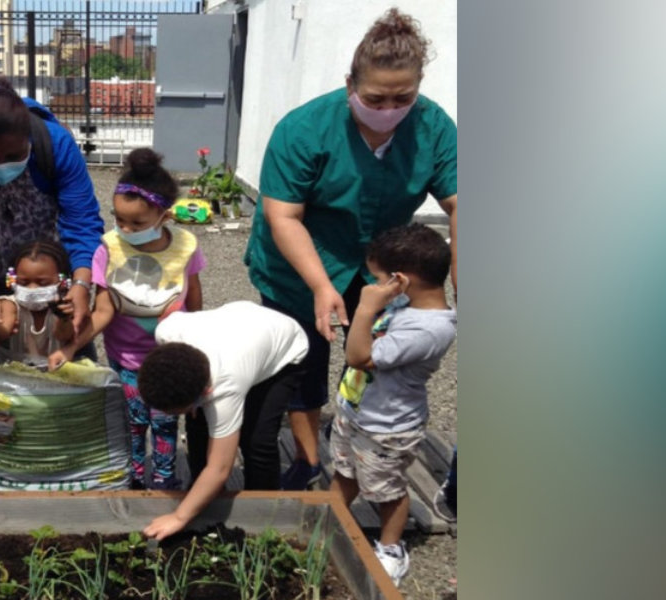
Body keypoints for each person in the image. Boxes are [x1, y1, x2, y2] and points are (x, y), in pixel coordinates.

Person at [245, 9, 458, 490]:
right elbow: (284, 215)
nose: (388, 108)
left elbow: (460, 205)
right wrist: (320, 285)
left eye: (402, 98)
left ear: (418, 89)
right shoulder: (304, 130)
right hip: (298, 262)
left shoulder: (433, 128)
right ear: (350, 85)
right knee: (302, 359)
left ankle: (361, 447)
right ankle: (306, 459)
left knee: (376, 357)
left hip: (379, 263)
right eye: (375, 97)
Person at [53, 148, 204, 489]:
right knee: (133, 422)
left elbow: (194, 300)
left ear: (164, 216)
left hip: (169, 359)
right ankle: (134, 477)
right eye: (118, 219)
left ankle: (165, 478)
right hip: (126, 360)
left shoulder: (185, 246)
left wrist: (198, 354)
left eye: (136, 223)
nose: (125, 229)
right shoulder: (109, 248)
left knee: (166, 422)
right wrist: (70, 348)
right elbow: (103, 310)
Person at [327, 223, 456, 584]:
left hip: (388, 428)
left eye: (379, 278)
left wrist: (367, 308)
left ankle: (390, 547)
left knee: (388, 491)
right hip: (356, 412)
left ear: (400, 280)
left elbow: (358, 357)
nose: (374, 286)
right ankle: (330, 516)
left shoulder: (430, 329)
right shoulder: (403, 302)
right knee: (345, 470)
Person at [0, 79, 103, 341]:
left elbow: (81, 220)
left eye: (15, 155)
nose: (2, 165)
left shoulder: (55, 143)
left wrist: (82, 283)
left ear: (28, 137)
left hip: (55, 282)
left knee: (68, 344)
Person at [135, 302, 308, 540]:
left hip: (283, 349)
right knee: (197, 424)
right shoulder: (167, 332)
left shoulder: (226, 385)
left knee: (257, 439)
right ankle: (205, 500)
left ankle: (261, 516)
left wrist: (178, 518)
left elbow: (220, 468)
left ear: (204, 392)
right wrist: (192, 406)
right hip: (240, 331)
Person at [0, 240, 76, 358]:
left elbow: (63, 335)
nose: (32, 288)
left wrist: (63, 319)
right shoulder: (11, 304)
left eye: (42, 283)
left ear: (62, 281)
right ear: (12, 279)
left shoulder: (64, 307)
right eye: (24, 282)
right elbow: (2, 333)